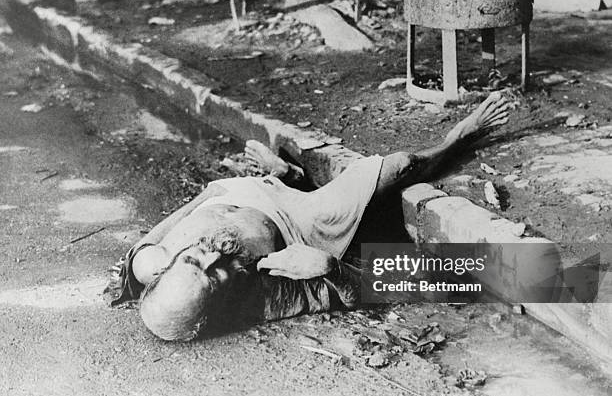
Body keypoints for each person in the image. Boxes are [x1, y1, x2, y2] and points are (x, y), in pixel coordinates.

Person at [110, 92, 511, 341]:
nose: (211, 257)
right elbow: (372, 287)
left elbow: (158, 235)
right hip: (298, 221)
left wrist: (209, 193)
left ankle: (283, 175)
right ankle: (459, 138)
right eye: (214, 276)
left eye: (193, 260)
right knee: (399, 167)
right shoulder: (255, 299)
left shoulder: (149, 263)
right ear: (219, 306)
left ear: (164, 270)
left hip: (237, 191)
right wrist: (329, 268)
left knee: (261, 188)